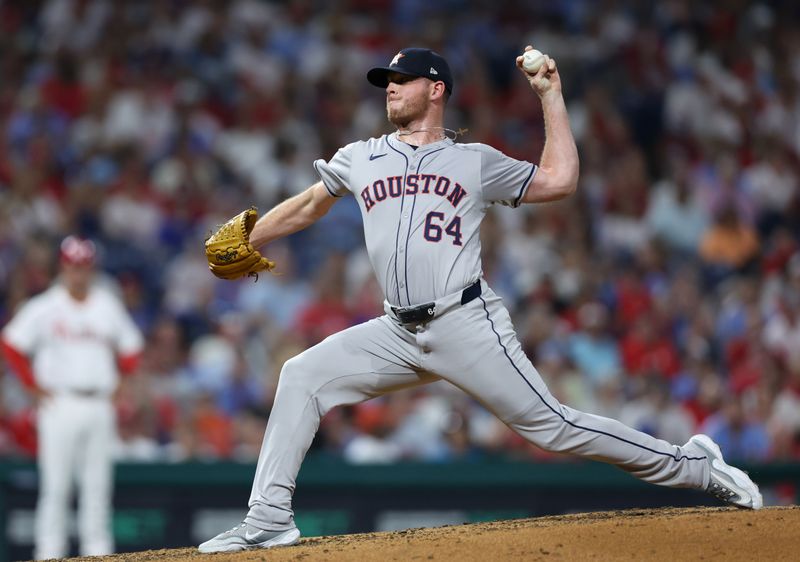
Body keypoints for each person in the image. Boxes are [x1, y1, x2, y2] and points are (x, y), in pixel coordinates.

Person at [199, 46, 762, 553]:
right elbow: (308, 205)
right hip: (396, 331)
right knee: (300, 375)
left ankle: (694, 466)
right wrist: (252, 237)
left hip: (465, 320)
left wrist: (551, 95)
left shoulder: (474, 160)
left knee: (552, 426)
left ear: (436, 89)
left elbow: (560, 180)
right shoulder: (361, 155)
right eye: (387, 80)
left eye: (403, 78)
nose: (390, 87)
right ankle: (268, 518)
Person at [1, 236, 144, 559]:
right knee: (56, 488)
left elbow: (132, 348)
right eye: (73, 266)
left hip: (99, 402)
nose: (78, 273)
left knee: (97, 489)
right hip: (59, 403)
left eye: (83, 266)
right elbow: (10, 344)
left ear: (90, 268)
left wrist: (121, 381)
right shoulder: (45, 306)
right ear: (63, 266)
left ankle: (98, 553)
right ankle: (49, 553)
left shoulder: (106, 304)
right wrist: (31, 385)